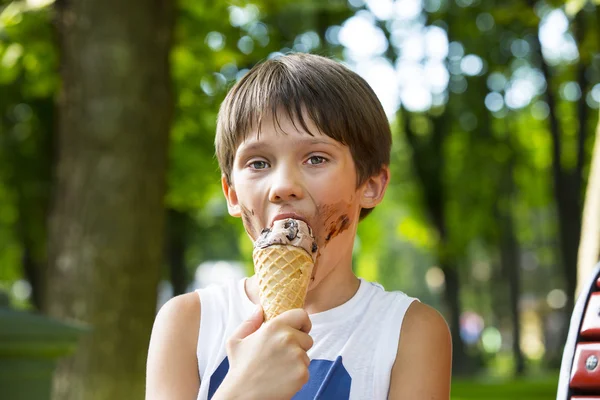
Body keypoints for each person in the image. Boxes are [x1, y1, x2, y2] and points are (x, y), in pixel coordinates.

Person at [145, 53, 452, 400]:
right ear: (232, 194)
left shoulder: (409, 333)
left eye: (316, 158)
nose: (282, 185)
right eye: (258, 162)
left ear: (370, 184)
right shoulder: (188, 323)